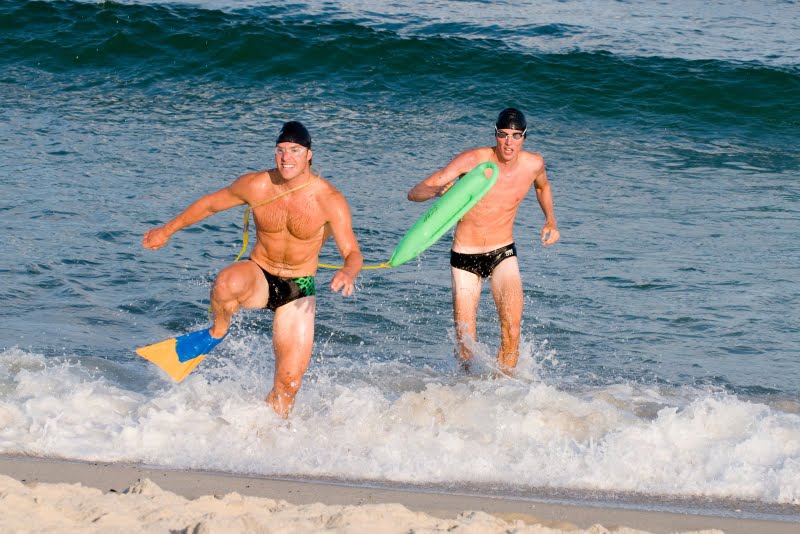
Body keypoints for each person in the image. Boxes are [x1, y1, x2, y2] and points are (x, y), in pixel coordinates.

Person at [142, 121, 363, 416]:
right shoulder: (257, 185)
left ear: (309, 154)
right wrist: (166, 231)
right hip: (259, 272)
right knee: (225, 283)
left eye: (295, 150)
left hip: (298, 288)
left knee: (289, 383)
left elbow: (352, 252)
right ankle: (217, 331)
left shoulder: (329, 199)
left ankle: (267, 433)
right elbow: (209, 205)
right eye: (280, 150)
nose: (286, 158)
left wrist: (348, 271)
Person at [407, 108, 559, 373]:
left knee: (512, 330)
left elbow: (542, 186)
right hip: (465, 256)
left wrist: (550, 220)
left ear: (524, 137)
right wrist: (436, 192)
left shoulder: (533, 164)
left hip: (503, 252)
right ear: (495, 133)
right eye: (503, 134)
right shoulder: (473, 160)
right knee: (466, 342)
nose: (509, 142)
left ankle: (506, 389)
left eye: (516, 136)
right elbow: (415, 192)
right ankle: (468, 391)